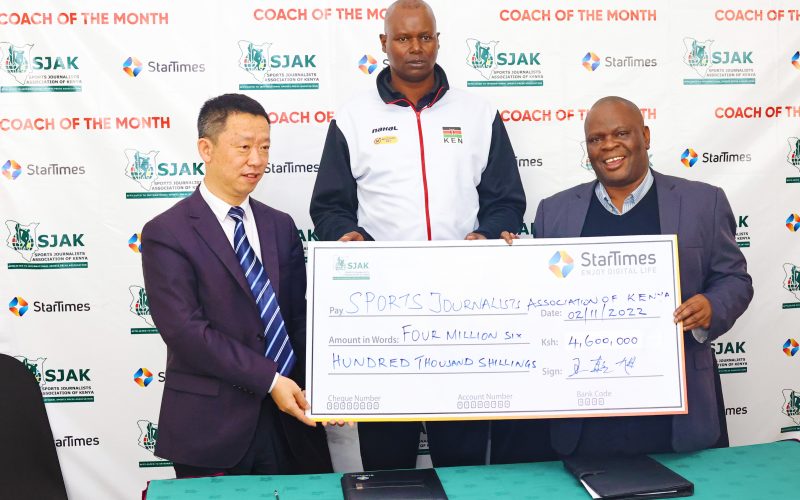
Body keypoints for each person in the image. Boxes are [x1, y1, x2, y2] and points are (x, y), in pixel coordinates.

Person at [309, 0, 541, 470]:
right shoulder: (352, 119)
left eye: (425, 37)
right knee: (387, 456)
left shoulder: (478, 113)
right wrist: (347, 235)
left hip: (465, 310)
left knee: (463, 452)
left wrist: (490, 234)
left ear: (438, 40)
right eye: (403, 38)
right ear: (383, 44)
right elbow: (329, 207)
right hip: (384, 315)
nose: (415, 48)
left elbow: (505, 199)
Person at [503, 96, 753, 457]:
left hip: (674, 412)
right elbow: (541, 296)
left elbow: (735, 280)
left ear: (645, 136)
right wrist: (507, 262)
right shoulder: (555, 212)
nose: (608, 146)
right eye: (596, 138)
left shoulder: (703, 202)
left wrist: (711, 306)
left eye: (621, 133)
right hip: (584, 415)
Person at [141, 93, 332, 477]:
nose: (257, 160)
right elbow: (185, 332)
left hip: (293, 422)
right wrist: (270, 380)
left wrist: (328, 389)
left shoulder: (280, 225)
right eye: (244, 147)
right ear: (205, 149)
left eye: (264, 147)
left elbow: (298, 320)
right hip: (213, 430)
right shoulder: (167, 233)